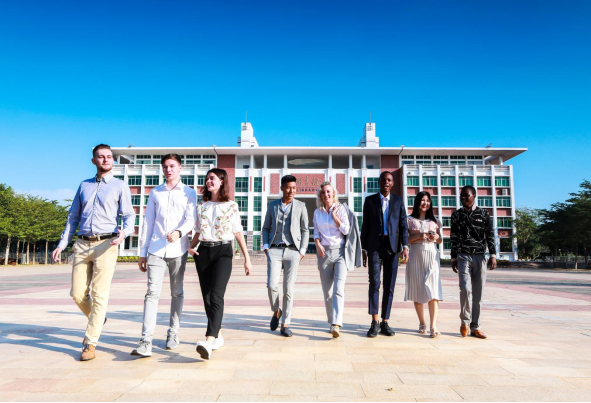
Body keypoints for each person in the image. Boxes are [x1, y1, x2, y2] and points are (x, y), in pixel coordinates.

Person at [52, 144, 135, 362]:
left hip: (107, 244)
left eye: (109, 157)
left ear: (113, 161)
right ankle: (98, 318)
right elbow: (73, 218)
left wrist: (124, 233)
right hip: (82, 244)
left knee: (99, 294)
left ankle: (90, 342)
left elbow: (129, 216)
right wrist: (62, 244)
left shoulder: (120, 186)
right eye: (101, 156)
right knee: (77, 294)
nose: (106, 159)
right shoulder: (84, 185)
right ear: (93, 161)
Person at [131, 154, 197, 358]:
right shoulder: (155, 192)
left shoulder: (189, 192)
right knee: (152, 293)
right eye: (165, 166)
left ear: (180, 168)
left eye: (172, 166)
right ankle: (146, 340)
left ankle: (173, 333)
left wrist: (179, 232)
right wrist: (142, 253)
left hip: (178, 250)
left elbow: (191, 220)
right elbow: (148, 222)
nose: (168, 170)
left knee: (177, 292)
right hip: (156, 249)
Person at [188, 168, 252, 360]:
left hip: (223, 251)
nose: (208, 181)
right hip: (203, 251)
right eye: (207, 178)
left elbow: (238, 232)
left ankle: (208, 341)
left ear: (222, 181)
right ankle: (218, 334)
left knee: (216, 295)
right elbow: (198, 231)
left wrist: (247, 258)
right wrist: (190, 247)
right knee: (207, 297)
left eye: (212, 178)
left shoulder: (231, 206)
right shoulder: (201, 206)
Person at [361, 171, 409, 338]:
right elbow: (365, 225)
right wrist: (364, 249)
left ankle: (385, 321)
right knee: (374, 283)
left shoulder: (398, 201)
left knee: (389, 286)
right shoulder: (369, 201)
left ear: (392, 183)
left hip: (393, 248)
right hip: (374, 247)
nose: (386, 182)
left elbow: (403, 225)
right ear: (379, 182)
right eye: (383, 180)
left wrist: (405, 246)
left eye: (389, 180)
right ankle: (374, 322)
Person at [262, 175, 309, 338]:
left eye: (294, 188)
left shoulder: (301, 206)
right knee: (271, 285)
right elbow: (266, 228)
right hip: (274, 250)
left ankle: (285, 324)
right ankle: (276, 311)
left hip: (293, 251)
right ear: (282, 188)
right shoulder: (273, 205)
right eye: (288, 187)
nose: (291, 191)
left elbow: (305, 230)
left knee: (288, 290)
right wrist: (266, 247)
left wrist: (302, 251)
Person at [313, 182, 362, 338]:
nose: (326, 194)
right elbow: (316, 231)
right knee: (327, 292)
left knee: (338, 289)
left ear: (333, 193)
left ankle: (336, 324)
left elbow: (346, 230)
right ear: (320, 195)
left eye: (328, 191)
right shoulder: (317, 212)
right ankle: (331, 321)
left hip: (340, 253)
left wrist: (335, 217)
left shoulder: (341, 209)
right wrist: (317, 243)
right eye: (323, 192)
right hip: (324, 254)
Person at [451, 185, 498, 340]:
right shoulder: (456, 215)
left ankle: (475, 327)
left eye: (467, 195)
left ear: (474, 196)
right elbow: (453, 237)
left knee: (478, 293)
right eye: (462, 196)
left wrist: (493, 255)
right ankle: (464, 322)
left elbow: (489, 235)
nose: (463, 198)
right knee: (465, 289)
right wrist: (453, 257)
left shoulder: (484, 213)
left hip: (479, 256)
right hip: (463, 256)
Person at [406, 192, 443, 338]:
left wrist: (436, 237)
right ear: (417, 202)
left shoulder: (435, 221)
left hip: (432, 255)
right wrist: (419, 236)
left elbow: (440, 240)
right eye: (422, 200)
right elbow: (405, 240)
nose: (425, 203)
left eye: (427, 200)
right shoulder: (409, 220)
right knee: (417, 289)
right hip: (416, 255)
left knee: (433, 290)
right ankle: (422, 323)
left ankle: (433, 326)